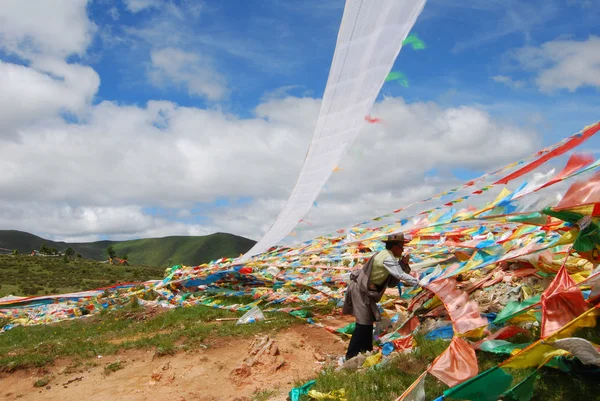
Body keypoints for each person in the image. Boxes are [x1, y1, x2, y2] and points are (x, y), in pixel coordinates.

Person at [342, 233, 419, 360]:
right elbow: (399, 275)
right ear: (394, 246)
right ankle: (351, 355)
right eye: (401, 247)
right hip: (360, 290)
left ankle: (366, 351)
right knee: (363, 323)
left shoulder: (389, 257)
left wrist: (404, 263)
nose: (403, 250)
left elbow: (393, 282)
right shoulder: (387, 257)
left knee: (367, 323)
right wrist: (419, 282)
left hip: (365, 291)